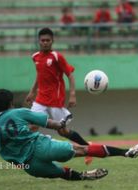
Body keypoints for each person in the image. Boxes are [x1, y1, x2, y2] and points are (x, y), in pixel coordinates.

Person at [0, 89, 138, 180]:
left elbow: (6, 152)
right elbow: (50, 123)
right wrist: (61, 123)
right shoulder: (18, 112)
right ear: (10, 103)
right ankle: (127, 152)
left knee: (60, 172)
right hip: (41, 147)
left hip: (29, 166)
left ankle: (84, 176)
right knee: (81, 150)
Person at [25, 27, 93, 164]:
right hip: (40, 99)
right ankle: (30, 155)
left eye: (48, 40)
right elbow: (40, 75)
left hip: (55, 100)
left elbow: (70, 75)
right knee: (32, 126)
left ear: (52, 41)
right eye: (42, 40)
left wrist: (72, 94)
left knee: (63, 132)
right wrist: (32, 91)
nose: (45, 43)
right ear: (39, 41)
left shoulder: (57, 57)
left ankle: (88, 148)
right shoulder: (35, 57)